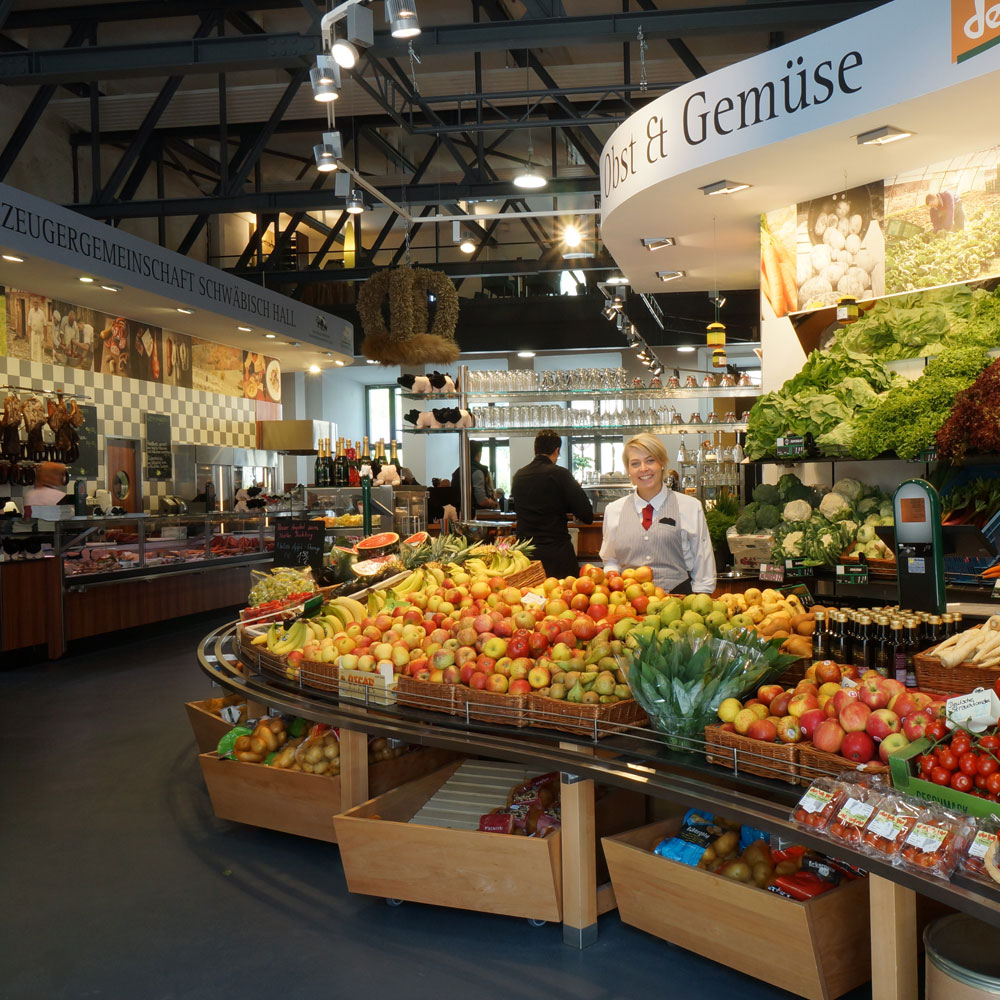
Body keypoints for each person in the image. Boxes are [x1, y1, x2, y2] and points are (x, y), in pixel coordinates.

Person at [599, 433, 716, 595]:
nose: (643, 468)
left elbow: (703, 561)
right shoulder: (613, 510)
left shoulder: (690, 506)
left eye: (650, 460)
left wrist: (701, 598)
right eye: (635, 463)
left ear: (662, 463)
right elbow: (610, 559)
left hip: (679, 600)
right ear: (628, 470)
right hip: (629, 603)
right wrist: (612, 579)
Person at [511, 430, 594, 578]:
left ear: (535, 449)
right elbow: (586, 514)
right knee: (562, 591)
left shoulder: (519, 475)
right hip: (556, 553)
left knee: (527, 592)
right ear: (557, 450)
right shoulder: (560, 474)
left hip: (526, 555)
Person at [452, 441, 499, 514]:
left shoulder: (457, 471)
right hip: (476, 515)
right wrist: (494, 504)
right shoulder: (477, 472)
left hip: (459, 513)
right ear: (478, 453)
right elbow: (482, 501)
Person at [26, 296, 47, 362]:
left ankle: (39, 363)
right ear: (33, 304)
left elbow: (45, 325)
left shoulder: (41, 313)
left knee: (40, 353)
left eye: (36, 303)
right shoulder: (31, 311)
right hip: (33, 334)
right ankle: (33, 362)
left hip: (40, 335)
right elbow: (29, 324)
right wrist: (29, 334)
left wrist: (45, 338)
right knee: (33, 351)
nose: (35, 304)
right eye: (34, 302)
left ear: (38, 304)